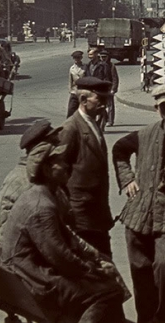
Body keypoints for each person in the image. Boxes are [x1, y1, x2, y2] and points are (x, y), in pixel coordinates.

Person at [1, 139, 128, 323]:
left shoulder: (44, 195)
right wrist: (92, 269)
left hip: (34, 267)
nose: (66, 165)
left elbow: (64, 241)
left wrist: (94, 261)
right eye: (59, 162)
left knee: (105, 278)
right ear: (46, 169)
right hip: (33, 276)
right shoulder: (41, 207)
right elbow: (59, 256)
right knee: (108, 292)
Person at [112, 83, 165, 323]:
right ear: (157, 108)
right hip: (139, 213)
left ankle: (163, 318)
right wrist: (128, 180)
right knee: (140, 269)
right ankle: (146, 317)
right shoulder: (144, 134)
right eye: (164, 107)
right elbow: (120, 150)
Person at [59, 76, 115, 256]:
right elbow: (59, 172)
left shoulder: (94, 123)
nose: (104, 105)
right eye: (100, 100)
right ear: (83, 100)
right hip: (80, 215)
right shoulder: (70, 128)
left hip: (97, 213)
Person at [0, 120, 63, 242]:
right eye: (54, 142)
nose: (58, 145)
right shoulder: (18, 180)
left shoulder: (48, 175)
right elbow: (6, 228)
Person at [99, 50, 119, 127]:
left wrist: (113, 89)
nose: (103, 59)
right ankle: (103, 119)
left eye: (105, 57)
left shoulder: (111, 66)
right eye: (102, 57)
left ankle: (110, 121)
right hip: (100, 88)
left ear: (108, 57)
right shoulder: (99, 65)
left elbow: (115, 78)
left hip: (108, 88)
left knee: (110, 105)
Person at [67, 50, 85, 118]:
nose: (77, 59)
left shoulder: (85, 67)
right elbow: (70, 80)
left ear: (81, 58)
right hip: (74, 92)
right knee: (71, 110)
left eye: (78, 58)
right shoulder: (72, 68)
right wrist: (70, 90)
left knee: (83, 111)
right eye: (75, 58)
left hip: (83, 92)